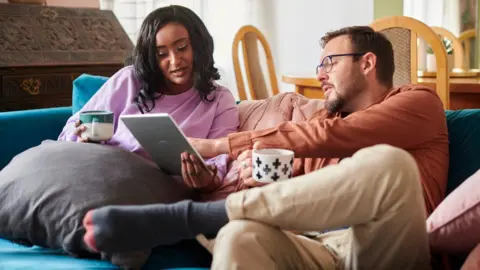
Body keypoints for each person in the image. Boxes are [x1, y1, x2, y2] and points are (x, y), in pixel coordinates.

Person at [81, 26, 449, 269]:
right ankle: (216, 218)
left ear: (368, 63)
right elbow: (303, 175)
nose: (319, 74)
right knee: (239, 236)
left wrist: (218, 145)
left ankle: (188, 218)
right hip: (317, 247)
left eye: (329, 63)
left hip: (387, 248)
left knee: (388, 164)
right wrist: (244, 177)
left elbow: (328, 138)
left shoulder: (419, 102)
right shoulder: (326, 121)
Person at [57, 5, 240, 197]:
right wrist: (81, 137)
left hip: (155, 192)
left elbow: (219, 161)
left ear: (198, 46)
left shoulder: (220, 99)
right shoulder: (129, 80)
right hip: (99, 172)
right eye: (162, 54)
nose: (175, 60)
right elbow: (70, 130)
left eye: (181, 48)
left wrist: (207, 179)